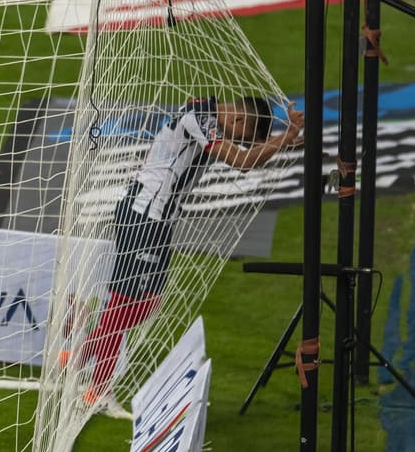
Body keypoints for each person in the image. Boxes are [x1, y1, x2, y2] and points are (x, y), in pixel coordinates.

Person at [67, 95, 304, 410]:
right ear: (237, 121)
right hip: (144, 215)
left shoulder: (209, 115)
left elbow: (249, 153)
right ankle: (97, 390)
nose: (237, 142)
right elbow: (243, 162)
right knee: (123, 304)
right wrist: (284, 139)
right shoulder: (201, 119)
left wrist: (289, 140)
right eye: (241, 137)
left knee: (145, 304)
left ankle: (76, 357)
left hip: (158, 221)